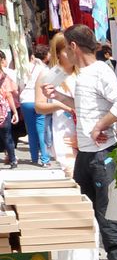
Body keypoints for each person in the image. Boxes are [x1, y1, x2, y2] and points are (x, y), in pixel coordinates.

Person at [41, 24, 117, 260]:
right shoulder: (83, 75)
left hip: (102, 150)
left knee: (106, 206)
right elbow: (83, 108)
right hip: (87, 151)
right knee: (83, 203)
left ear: (73, 47)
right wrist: (59, 96)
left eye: (66, 49)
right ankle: (94, 254)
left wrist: (100, 126)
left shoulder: (99, 71)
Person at [34, 32, 77, 175]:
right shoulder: (50, 75)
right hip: (64, 133)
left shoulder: (83, 73)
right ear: (57, 53)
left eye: (73, 49)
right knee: (72, 174)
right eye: (67, 50)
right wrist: (60, 105)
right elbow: (39, 106)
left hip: (87, 134)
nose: (72, 54)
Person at [21, 47, 51, 166]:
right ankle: (45, 159)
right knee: (41, 130)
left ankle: (34, 158)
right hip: (39, 99)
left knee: (31, 131)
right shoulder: (44, 68)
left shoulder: (23, 68)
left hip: (25, 100)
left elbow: (19, 84)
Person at [0, 53, 19, 168]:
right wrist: (15, 112)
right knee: (7, 136)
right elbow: (9, 95)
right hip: (4, 110)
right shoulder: (4, 76)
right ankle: (12, 159)